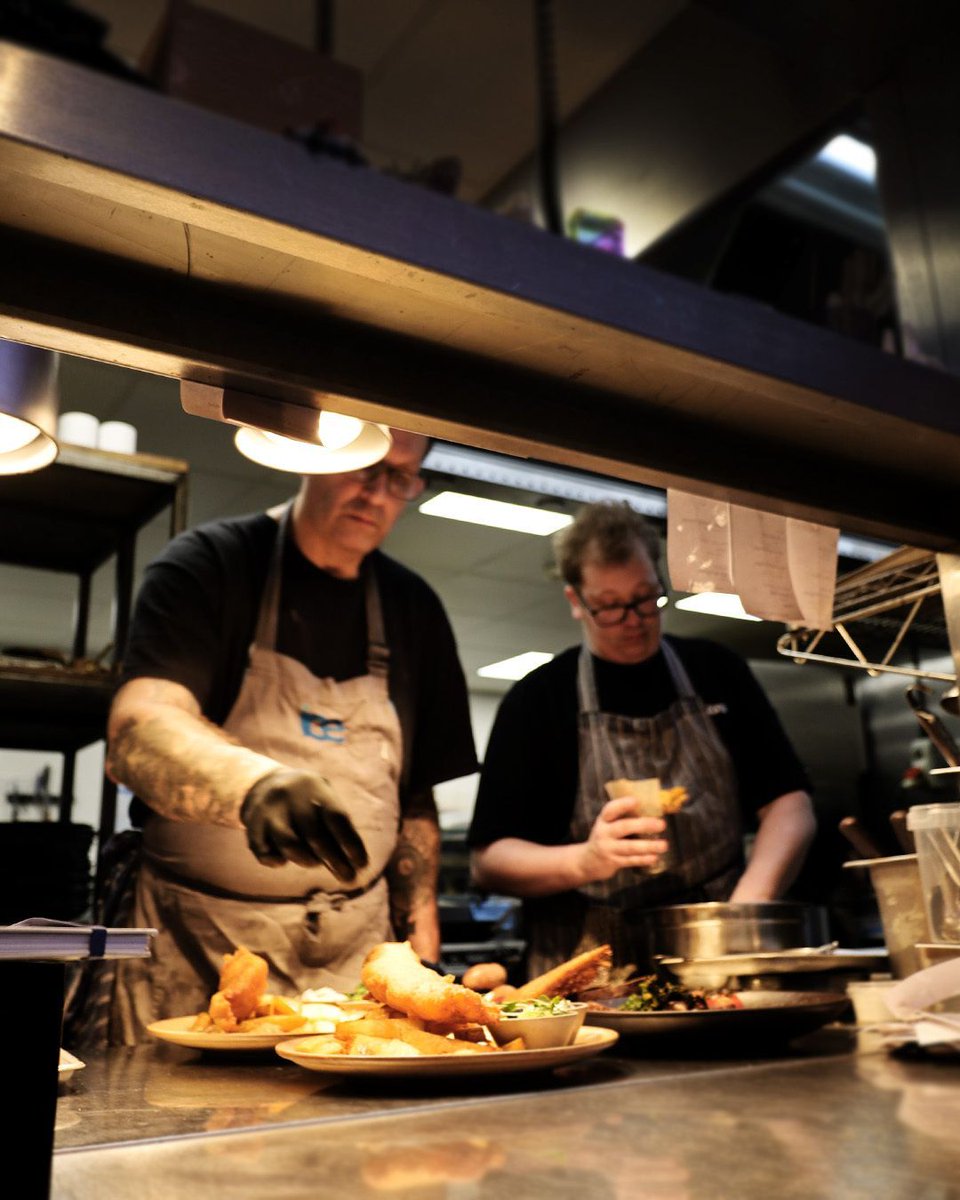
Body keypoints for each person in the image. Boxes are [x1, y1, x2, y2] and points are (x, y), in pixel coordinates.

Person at [103, 429, 477, 1042]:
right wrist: (251, 785)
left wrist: (423, 948)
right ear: (315, 454)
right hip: (199, 949)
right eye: (365, 467)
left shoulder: (414, 608)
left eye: (400, 477)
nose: (377, 493)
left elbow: (414, 802)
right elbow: (138, 730)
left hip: (357, 960)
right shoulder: (210, 563)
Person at [468, 501, 816, 976]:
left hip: (716, 944)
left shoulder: (716, 670)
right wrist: (585, 861)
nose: (633, 620)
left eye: (646, 598)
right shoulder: (537, 699)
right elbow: (489, 861)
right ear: (576, 601)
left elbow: (789, 805)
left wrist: (744, 911)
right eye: (610, 606)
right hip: (584, 961)